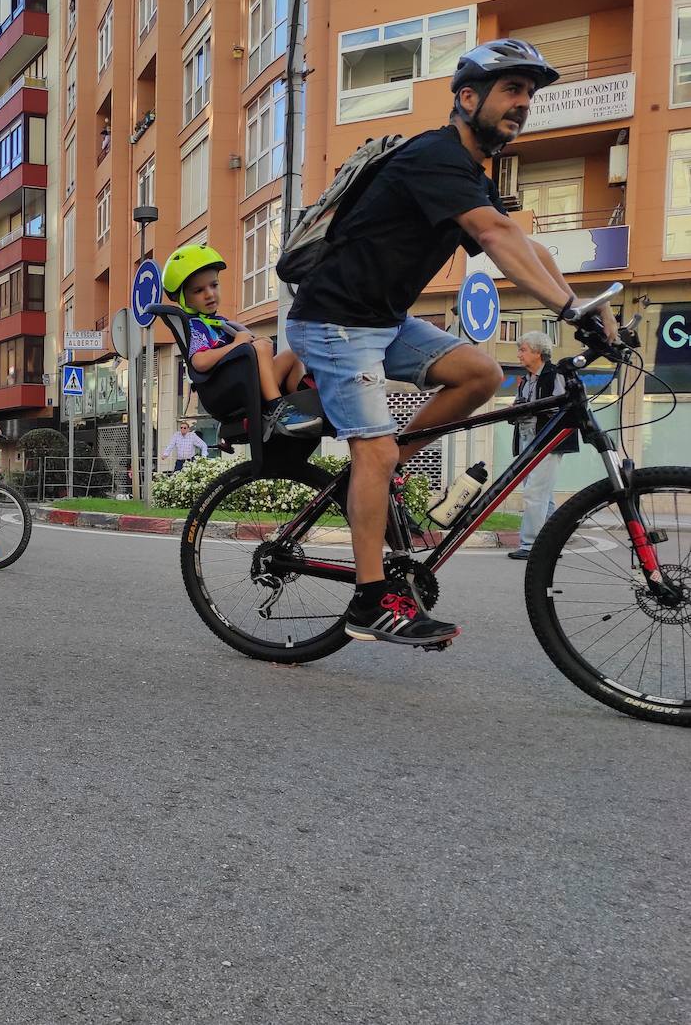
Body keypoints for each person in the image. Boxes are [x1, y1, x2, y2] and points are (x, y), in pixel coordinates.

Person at [281, 39, 617, 646]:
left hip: (381, 322)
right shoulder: (434, 156)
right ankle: (367, 602)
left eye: (529, 96)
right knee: (376, 451)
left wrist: (587, 305)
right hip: (332, 322)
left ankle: (381, 471)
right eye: (512, 91)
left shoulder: (467, 172)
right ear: (468, 98)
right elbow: (492, 234)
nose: (523, 105)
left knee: (481, 375)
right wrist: (565, 308)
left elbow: (521, 240)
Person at [162, 244, 318, 436]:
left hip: (247, 384)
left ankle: (300, 403)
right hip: (231, 392)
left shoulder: (220, 323)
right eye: (198, 290)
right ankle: (278, 409)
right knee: (259, 346)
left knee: (290, 355)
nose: (210, 294)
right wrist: (238, 344)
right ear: (182, 298)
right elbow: (199, 361)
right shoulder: (196, 327)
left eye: (214, 285)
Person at [508, 331, 577, 561]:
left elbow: (562, 407)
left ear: (538, 352)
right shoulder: (527, 379)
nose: (519, 354)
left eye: (523, 349)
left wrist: (529, 407)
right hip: (529, 440)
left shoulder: (554, 374)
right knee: (544, 496)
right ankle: (551, 544)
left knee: (535, 493)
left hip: (548, 441)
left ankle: (531, 546)